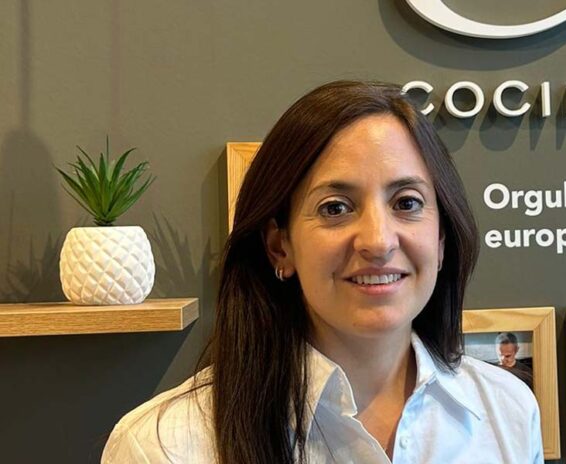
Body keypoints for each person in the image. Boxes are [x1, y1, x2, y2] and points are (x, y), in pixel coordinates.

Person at [101, 81, 542, 463]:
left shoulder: (508, 410)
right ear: (280, 246)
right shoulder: (163, 447)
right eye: (335, 208)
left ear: (441, 238)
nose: (378, 241)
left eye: (407, 203)